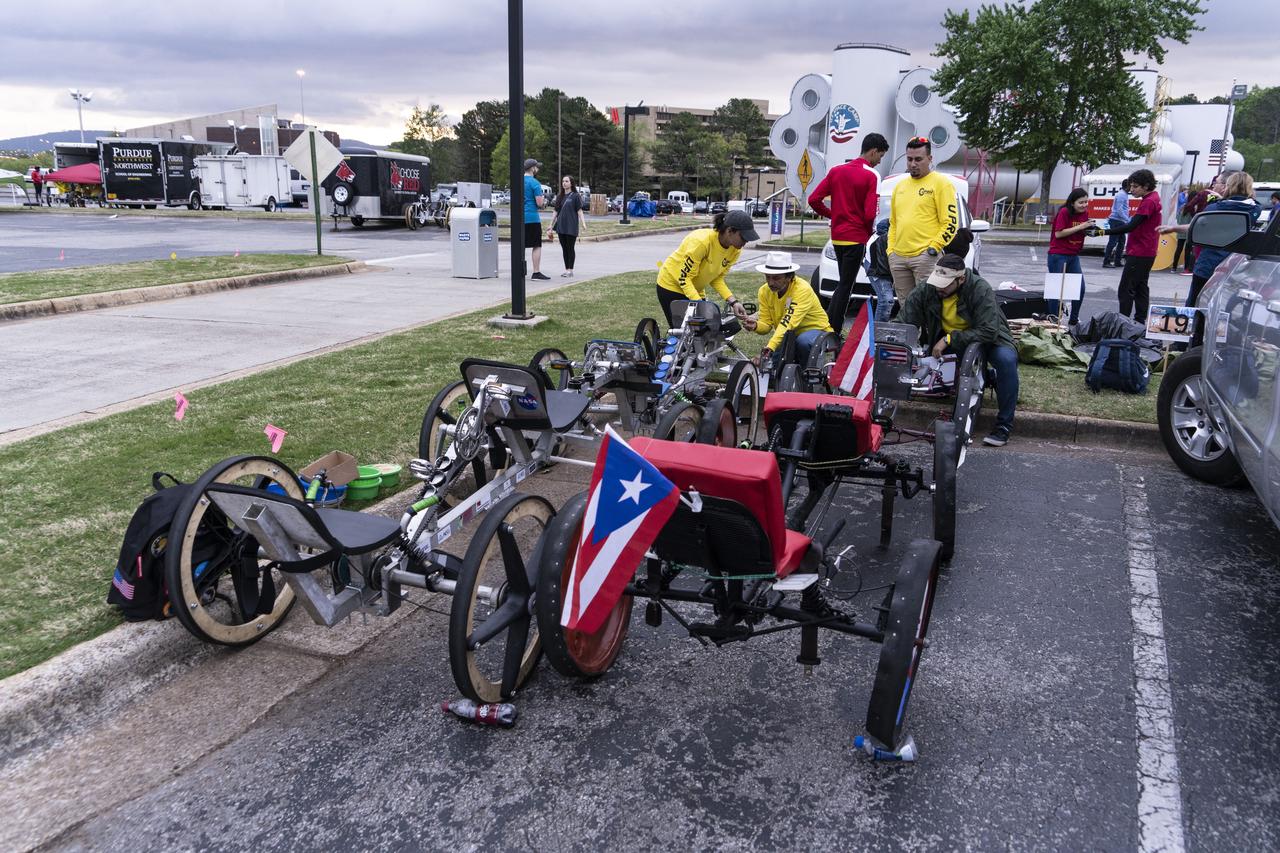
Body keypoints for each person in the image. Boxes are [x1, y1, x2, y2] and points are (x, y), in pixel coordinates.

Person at [899, 253, 1020, 447]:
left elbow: (989, 330)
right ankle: (988, 377)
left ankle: (1004, 426)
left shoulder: (980, 289)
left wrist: (949, 338)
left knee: (1006, 361)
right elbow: (904, 323)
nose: (939, 287)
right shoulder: (927, 289)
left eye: (944, 284)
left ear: (961, 279)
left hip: (991, 340)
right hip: (956, 345)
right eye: (936, 281)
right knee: (947, 384)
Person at [1158, 171, 1261, 347]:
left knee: (1194, 306)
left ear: (1229, 186)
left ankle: (1182, 345)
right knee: (1225, 309)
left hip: (1207, 265)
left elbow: (1195, 227)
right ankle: (1218, 345)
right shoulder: (1255, 210)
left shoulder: (1215, 208)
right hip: (1234, 267)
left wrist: (1173, 228)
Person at [807, 132, 889, 330]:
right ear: (873, 151)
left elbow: (813, 200)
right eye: (880, 156)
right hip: (856, 238)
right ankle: (832, 329)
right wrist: (869, 232)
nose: (879, 161)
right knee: (846, 286)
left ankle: (830, 326)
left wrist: (833, 215)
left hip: (838, 237)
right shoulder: (871, 175)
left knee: (843, 284)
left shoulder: (836, 171)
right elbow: (871, 213)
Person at [887, 136, 959, 307]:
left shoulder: (941, 183)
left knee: (929, 305)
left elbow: (950, 222)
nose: (913, 164)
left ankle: (930, 335)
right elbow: (894, 223)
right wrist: (891, 251)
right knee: (907, 307)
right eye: (909, 159)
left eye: (918, 159)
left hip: (926, 257)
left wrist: (934, 248)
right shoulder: (900, 186)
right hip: (898, 257)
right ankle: (913, 335)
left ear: (930, 158)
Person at [655, 209, 758, 323]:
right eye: (743, 237)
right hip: (671, 286)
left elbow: (717, 278)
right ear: (729, 231)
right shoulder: (701, 242)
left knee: (705, 330)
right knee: (682, 331)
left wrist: (733, 302)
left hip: (695, 289)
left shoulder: (735, 250)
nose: (746, 241)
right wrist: (700, 304)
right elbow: (684, 278)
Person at [741, 251, 834, 369]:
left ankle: (809, 375)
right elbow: (766, 324)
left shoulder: (802, 289)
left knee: (802, 341)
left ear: (789, 277)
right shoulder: (764, 291)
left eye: (776, 278)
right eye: (767, 277)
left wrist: (769, 347)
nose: (770, 282)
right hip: (789, 334)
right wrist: (756, 326)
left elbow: (788, 323)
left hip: (817, 332)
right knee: (772, 368)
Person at [1099, 168, 1160, 322]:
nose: (1131, 190)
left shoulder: (1148, 202)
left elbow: (1130, 226)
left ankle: (1124, 323)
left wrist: (1102, 233)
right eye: (1131, 187)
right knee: (1141, 288)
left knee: (1126, 289)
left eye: (1135, 187)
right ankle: (1139, 322)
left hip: (1140, 251)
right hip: (1147, 251)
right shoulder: (1153, 198)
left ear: (1146, 186)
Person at [1045, 188, 1094, 325]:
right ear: (1072, 203)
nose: (1084, 205)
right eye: (1081, 202)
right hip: (1058, 255)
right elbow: (1058, 234)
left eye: (1086, 202)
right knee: (1057, 289)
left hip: (1073, 255)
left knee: (1080, 287)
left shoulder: (1085, 214)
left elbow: (1081, 230)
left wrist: (1089, 230)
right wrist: (1081, 227)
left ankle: (1074, 318)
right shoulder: (1064, 212)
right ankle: (1053, 319)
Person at [549, 174, 587, 277]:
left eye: (566, 181)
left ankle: (571, 270)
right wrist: (550, 225)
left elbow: (579, 210)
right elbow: (555, 211)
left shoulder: (575, 196)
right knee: (564, 248)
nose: (564, 183)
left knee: (570, 248)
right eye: (563, 181)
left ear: (571, 183)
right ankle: (566, 269)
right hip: (561, 226)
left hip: (571, 226)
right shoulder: (560, 196)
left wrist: (583, 223)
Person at [521, 159, 549, 281]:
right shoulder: (535, 183)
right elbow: (539, 203)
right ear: (532, 168)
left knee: (520, 245)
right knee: (536, 245)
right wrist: (544, 202)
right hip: (532, 217)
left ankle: (518, 270)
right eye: (536, 167)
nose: (537, 169)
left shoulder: (518, 181)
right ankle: (536, 272)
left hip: (519, 218)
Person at [864, 218, 895, 322]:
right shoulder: (880, 239)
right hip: (878, 267)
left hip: (887, 266)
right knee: (886, 300)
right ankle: (878, 333)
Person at [1102, 179, 1130, 268]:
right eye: (1131, 186)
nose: (1132, 188)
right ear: (1127, 186)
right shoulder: (1122, 195)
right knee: (1113, 241)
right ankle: (1106, 262)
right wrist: (1127, 219)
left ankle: (1117, 261)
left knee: (1121, 241)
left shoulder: (1123, 194)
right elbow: (1119, 210)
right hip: (1116, 221)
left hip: (1120, 221)